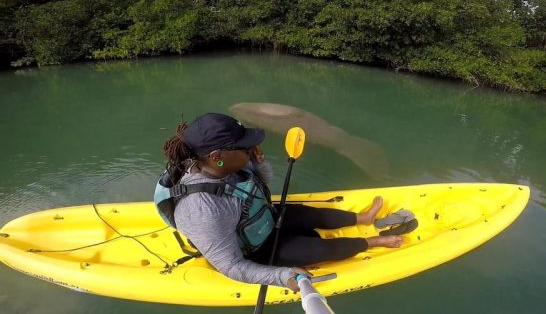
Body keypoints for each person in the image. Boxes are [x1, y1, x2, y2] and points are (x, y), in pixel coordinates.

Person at [160, 113, 403, 291]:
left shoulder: (225, 164)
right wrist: (282, 276)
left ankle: (364, 218)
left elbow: (262, 188)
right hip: (255, 249)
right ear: (217, 156)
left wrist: (258, 163)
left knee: (312, 215)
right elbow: (232, 266)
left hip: (261, 215)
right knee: (320, 249)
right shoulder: (202, 210)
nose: (251, 147)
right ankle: (373, 241)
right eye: (244, 146)